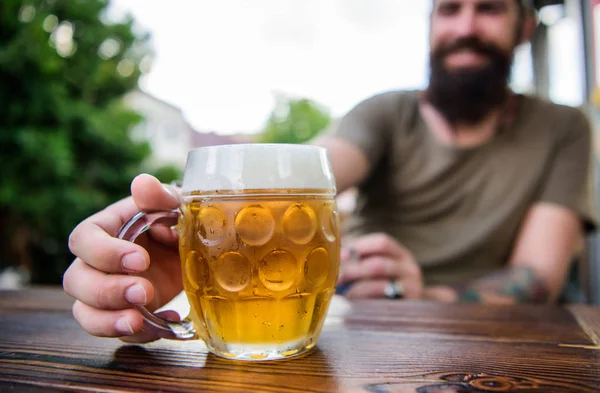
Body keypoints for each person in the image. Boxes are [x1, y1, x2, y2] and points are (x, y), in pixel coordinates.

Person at [64, 0, 596, 342]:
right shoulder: (387, 112)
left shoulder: (563, 129)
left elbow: (538, 279)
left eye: (489, 9)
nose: (465, 27)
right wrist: (196, 222)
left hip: (484, 337)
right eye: (450, 8)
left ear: (524, 26)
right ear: (432, 23)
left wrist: (424, 294)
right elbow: (309, 170)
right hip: (354, 320)